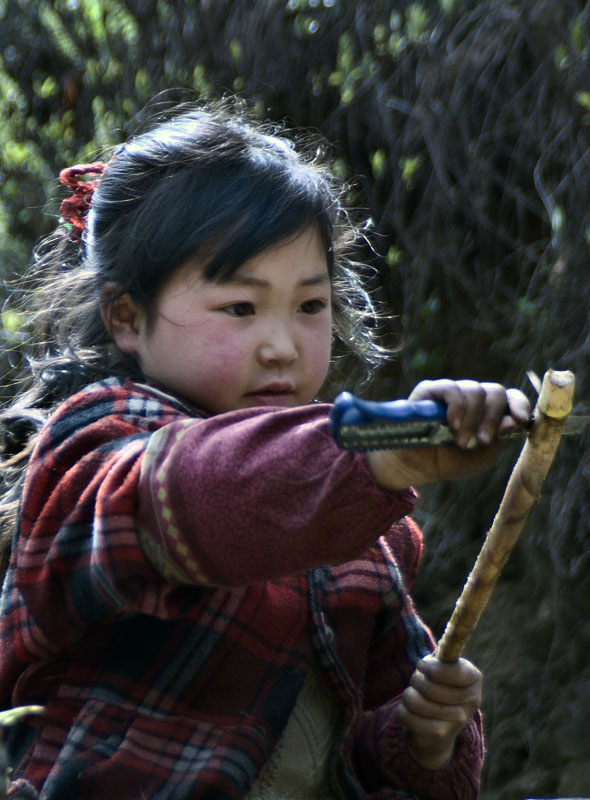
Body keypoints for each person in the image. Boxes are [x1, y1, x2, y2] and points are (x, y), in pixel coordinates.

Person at [0, 101, 530, 800]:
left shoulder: (368, 528)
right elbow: (199, 492)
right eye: (241, 309)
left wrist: (422, 736)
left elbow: (350, 750)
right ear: (126, 317)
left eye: (310, 306)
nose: (281, 345)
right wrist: (378, 446)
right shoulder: (97, 443)